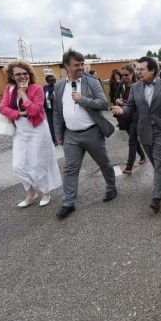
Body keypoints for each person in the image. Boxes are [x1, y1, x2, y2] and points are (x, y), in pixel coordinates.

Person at [53, 49, 117, 219]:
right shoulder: (59, 86)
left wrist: (83, 100)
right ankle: (68, 203)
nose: (81, 67)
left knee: (104, 163)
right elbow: (57, 112)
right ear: (67, 66)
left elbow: (104, 104)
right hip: (71, 136)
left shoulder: (92, 82)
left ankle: (111, 188)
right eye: (77, 65)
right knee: (70, 170)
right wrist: (58, 134)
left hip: (92, 132)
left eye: (82, 64)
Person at [111, 56, 161, 213]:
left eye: (141, 69)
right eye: (137, 69)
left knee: (159, 160)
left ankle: (157, 197)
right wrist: (122, 110)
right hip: (144, 130)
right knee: (155, 161)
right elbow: (131, 107)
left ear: (153, 70)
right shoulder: (135, 87)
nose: (138, 72)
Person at [0, 60, 62, 207]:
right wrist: (19, 113)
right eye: (18, 74)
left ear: (29, 74)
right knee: (18, 165)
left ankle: (45, 192)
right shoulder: (9, 89)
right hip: (20, 131)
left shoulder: (36, 89)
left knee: (37, 164)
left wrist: (24, 96)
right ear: (12, 76)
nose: (22, 76)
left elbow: (35, 111)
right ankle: (31, 191)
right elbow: (2, 108)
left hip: (38, 130)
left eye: (24, 73)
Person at [115, 64, 146, 174]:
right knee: (133, 139)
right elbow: (116, 96)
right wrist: (118, 101)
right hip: (125, 117)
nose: (124, 77)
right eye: (122, 75)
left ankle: (129, 166)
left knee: (132, 141)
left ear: (132, 74)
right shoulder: (121, 85)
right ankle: (142, 156)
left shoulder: (139, 85)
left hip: (136, 117)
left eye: (126, 74)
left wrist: (130, 104)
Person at [43, 75, 56, 142]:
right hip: (49, 109)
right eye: (51, 80)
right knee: (51, 124)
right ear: (47, 81)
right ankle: (54, 139)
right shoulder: (45, 87)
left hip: (58, 110)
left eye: (54, 80)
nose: (53, 82)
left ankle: (61, 138)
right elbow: (43, 97)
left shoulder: (58, 87)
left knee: (59, 124)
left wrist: (54, 98)